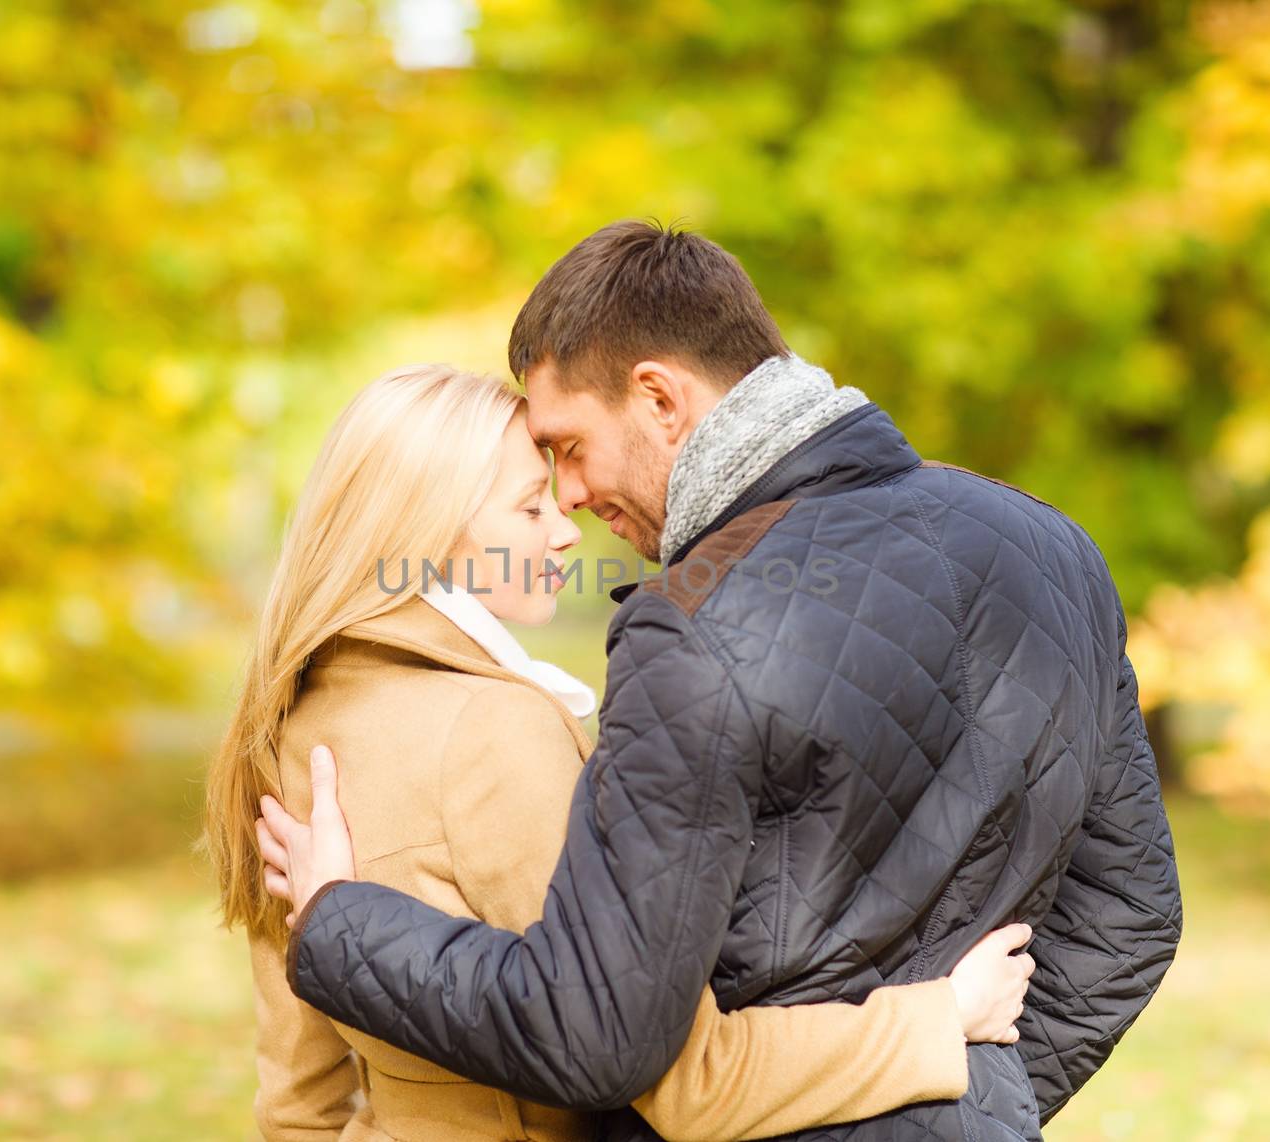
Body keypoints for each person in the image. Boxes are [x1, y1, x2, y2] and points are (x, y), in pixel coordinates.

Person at [261, 222, 1184, 1142]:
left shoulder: (694, 623)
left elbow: (603, 1038)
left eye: (570, 449)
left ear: (659, 398)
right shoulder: (1054, 549)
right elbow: (1129, 918)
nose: (571, 499)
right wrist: (974, 1099)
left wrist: (338, 926)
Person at [204, 363, 1039, 1141]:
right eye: (529, 508)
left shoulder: (292, 728)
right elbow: (680, 1079)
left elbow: (299, 1103)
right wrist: (938, 1017)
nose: (563, 535)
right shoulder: (492, 734)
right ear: (426, 534)